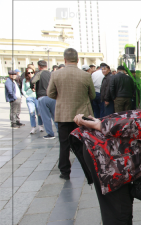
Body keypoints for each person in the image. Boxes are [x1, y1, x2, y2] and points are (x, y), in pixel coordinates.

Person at [47, 48, 95, 180]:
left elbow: (50, 94)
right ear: (77, 60)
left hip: (63, 115)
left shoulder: (56, 75)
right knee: (83, 144)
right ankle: (89, 173)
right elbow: (92, 95)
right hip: (81, 117)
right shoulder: (85, 75)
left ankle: (65, 172)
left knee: (64, 144)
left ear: (64, 60)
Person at [33, 60, 57, 139]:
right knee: (55, 116)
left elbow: (33, 81)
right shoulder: (51, 73)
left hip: (43, 96)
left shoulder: (39, 73)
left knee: (46, 117)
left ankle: (50, 134)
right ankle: (60, 132)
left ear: (39, 66)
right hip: (53, 97)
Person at [22, 67, 44, 134]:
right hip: (29, 98)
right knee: (31, 112)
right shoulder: (25, 80)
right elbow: (23, 89)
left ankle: (40, 125)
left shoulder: (36, 79)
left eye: (32, 72)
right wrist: (26, 96)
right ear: (26, 73)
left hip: (36, 97)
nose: (30, 74)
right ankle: (33, 127)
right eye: (28, 73)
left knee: (39, 112)